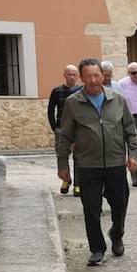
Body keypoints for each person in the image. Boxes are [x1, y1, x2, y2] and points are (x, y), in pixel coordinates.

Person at [56, 58, 137, 266]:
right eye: (88, 76)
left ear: (103, 76)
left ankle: (116, 233)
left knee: (120, 204)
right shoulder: (73, 102)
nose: (93, 80)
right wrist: (62, 164)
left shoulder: (118, 99)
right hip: (87, 165)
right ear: (82, 78)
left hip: (114, 163)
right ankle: (97, 249)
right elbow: (65, 135)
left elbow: (130, 130)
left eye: (96, 75)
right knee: (91, 208)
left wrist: (134, 154)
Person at [47, 64, 81, 195]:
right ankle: (66, 180)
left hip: (78, 129)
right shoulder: (57, 91)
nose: (71, 77)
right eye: (69, 74)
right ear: (64, 75)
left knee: (78, 156)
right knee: (62, 156)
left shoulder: (81, 91)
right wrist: (54, 127)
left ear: (78, 76)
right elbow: (50, 110)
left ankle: (78, 184)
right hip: (61, 129)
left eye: (74, 74)